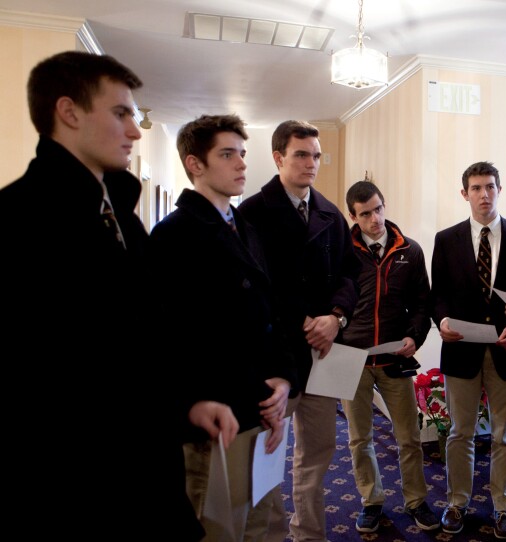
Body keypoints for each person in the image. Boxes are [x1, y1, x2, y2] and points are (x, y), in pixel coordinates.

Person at [0, 50, 222, 541]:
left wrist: (185, 403)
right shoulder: (18, 219)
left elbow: (140, 335)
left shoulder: (118, 211)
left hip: (143, 464)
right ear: (69, 112)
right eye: (121, 112)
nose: (135, 129)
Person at [148, 114, 294, 542]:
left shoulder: (244, 227)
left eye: (242, 154)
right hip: (218, 416)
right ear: (195, 164)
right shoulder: (173, 236)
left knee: (262, 525)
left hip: (264, 409)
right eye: (227, 154)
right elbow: (174, 341)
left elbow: (274, 312)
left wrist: (284, 380)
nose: (241, 164)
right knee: (219, 529)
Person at [239, 119, 361, 542]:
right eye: (301, 154)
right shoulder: (252, 213)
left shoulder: (329, 212)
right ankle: (271, 535)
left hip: (326, 352)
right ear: (278, 158)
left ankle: (309, 533)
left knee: (319, 453)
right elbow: (253, 284)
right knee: (267, 454)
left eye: (316, 155)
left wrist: (336, 317)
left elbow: (350, 274)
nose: (311, 163)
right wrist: (302, 323)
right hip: (277, 354)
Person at [430, 161, 506, 540]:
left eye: (490, 186)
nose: (484, 194)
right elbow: (437, 294)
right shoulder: (446, 239)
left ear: (499, 189)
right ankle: (457, 502)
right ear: (465, 194)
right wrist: (440, 321)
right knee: (460, 433)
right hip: (460, 351)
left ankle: (504, 507)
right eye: (476, 188)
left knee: (505, 435)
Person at [339, 180, 440, 533]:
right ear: (353, 216)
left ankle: (416, 500)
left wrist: (415, 336)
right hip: (352, 360)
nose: (374, 218)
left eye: (378, 209)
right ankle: (371, 501)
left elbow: (422, 304)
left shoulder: (409, 251)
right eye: (365, 213)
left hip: (395, 359)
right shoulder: (342, 252)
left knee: (409, 437)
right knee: (359, 439)